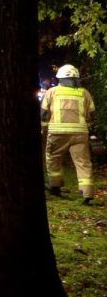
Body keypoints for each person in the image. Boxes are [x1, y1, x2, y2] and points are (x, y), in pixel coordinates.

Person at [41, 64, 96, 205]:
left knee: (53, 158)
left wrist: (44, 128)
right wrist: (87, 125)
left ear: (60, 78)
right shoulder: (84, 93)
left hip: (57, 133)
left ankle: (55, 187)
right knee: (83, 163)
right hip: (80, 133)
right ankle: (87, 193)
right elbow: (91, 114)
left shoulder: (52, 92)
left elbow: (44, 113)